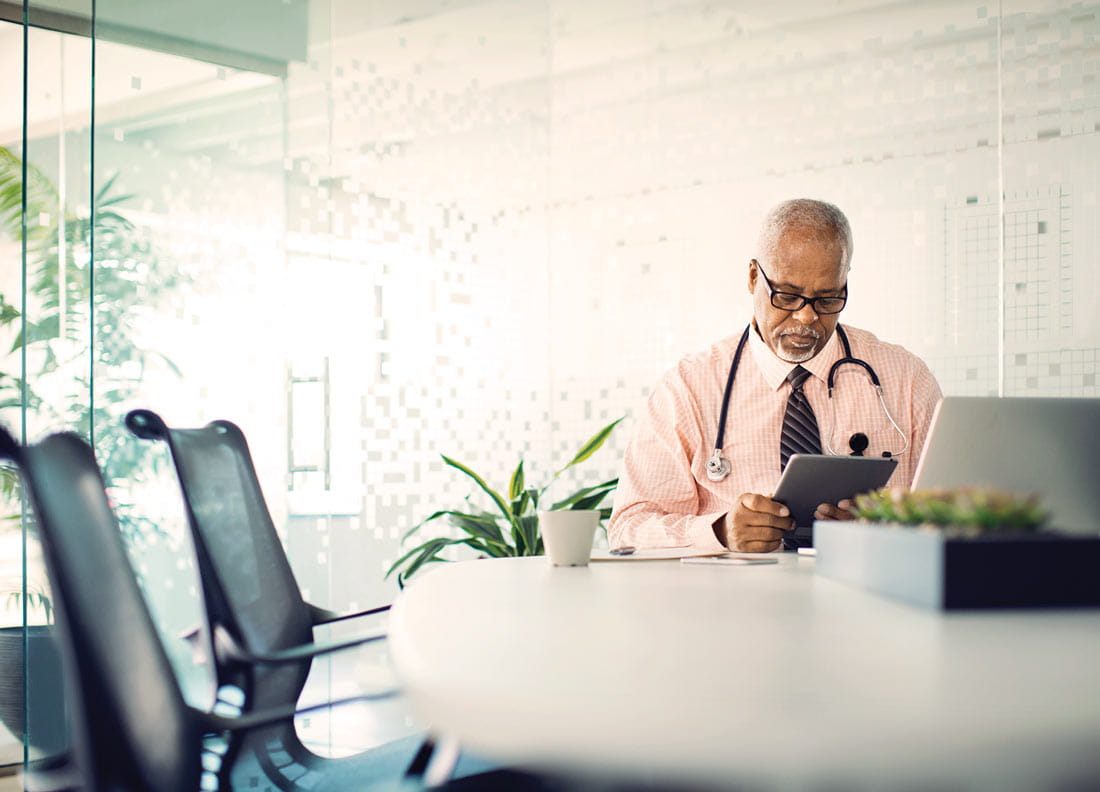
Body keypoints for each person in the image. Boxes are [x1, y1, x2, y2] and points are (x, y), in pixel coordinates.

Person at [608, 199, 943, 553]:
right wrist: (720, 532)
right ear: (754, 277)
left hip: (871, 597)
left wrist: (885, 529)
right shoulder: (687, 388)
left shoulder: (906, 379)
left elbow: (963, 514)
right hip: (737, 604)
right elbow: (628, 530)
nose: (806, 318)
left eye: (828, 299)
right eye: (787, 296)